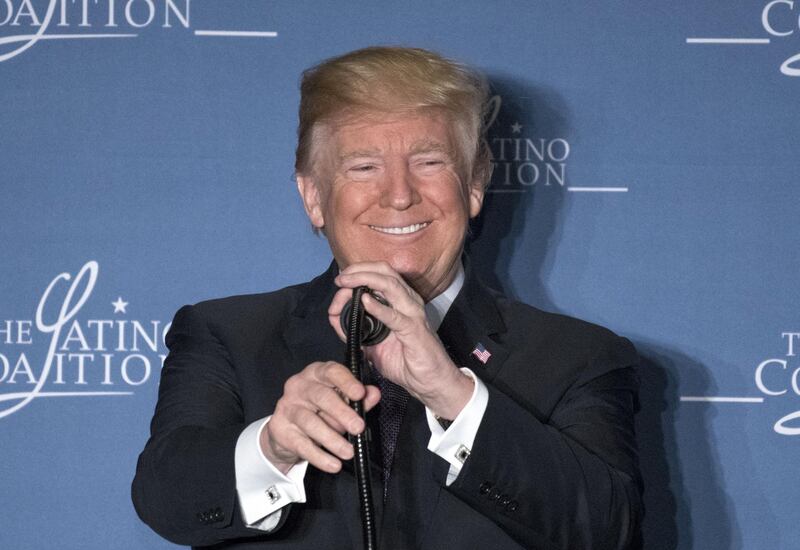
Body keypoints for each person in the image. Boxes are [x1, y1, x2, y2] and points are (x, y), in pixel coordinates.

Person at [132, 46, 643, 549]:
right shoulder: (229, 334)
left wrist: (454, 398)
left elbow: (609, 531)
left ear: (474, 186)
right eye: (363, 167)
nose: (399, 194)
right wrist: (274, 447)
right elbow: (166, 500)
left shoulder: (579, 357)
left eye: (429, 161)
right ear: (313, 198)